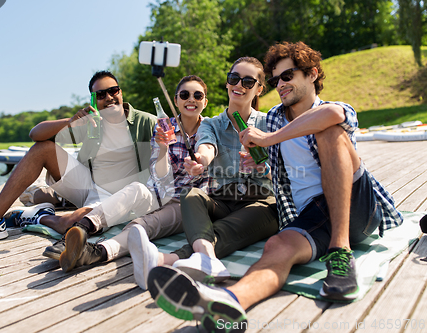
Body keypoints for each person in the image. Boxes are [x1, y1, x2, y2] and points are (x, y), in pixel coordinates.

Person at [147, 42, 404, 332]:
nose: (280, 84)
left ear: (312, 75)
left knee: (330, 133)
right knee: (277, 246)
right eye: (275, 79)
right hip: (311, 214)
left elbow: (332, 117)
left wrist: (269, 140)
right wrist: (260, 164)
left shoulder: (329, 109)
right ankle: (228, 303)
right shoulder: (272, 118)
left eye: (287, 76)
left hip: (357, 208)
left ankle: (340, 252)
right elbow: (251, 158)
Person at [0, 71, 157, 248]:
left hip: (122, 195)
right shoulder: (92, 124)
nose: (109, 97)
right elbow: (35, 134)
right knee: (42, 148)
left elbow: (173, 140)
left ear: (121, 92)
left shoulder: (144, 121)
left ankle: (35, 217)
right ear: (94, 100)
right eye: (101, 94)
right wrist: (71, 121)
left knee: (73, 224)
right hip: (88, 186)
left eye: (113, 91)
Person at [134, 57, 279, 292]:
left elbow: (284, 171)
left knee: (225, 229)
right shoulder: (211, 124)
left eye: (248, 81)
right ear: (227, 83)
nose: (239, 85)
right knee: (191, 195)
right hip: (223, 199)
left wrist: (263, 166)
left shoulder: (269, 122)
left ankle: (166, 260)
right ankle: (207, 261)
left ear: (259, 89)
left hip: (261, 200)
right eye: (234, 78)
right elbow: (207, 146)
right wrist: (200, 160)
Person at [59, 75, 213, 279]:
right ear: (176, 100)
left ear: (205, 101)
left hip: (186, 202)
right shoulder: (164, 127)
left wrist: (201, 161)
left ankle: (95, 253)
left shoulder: (211, 128)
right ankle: (81, 228)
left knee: (140, 225)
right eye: (184, 95)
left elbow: (209, 150)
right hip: (159, 192)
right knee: (135, 189)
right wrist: (162, 149)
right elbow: (159, 176)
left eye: (197, 95)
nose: (191, 99)